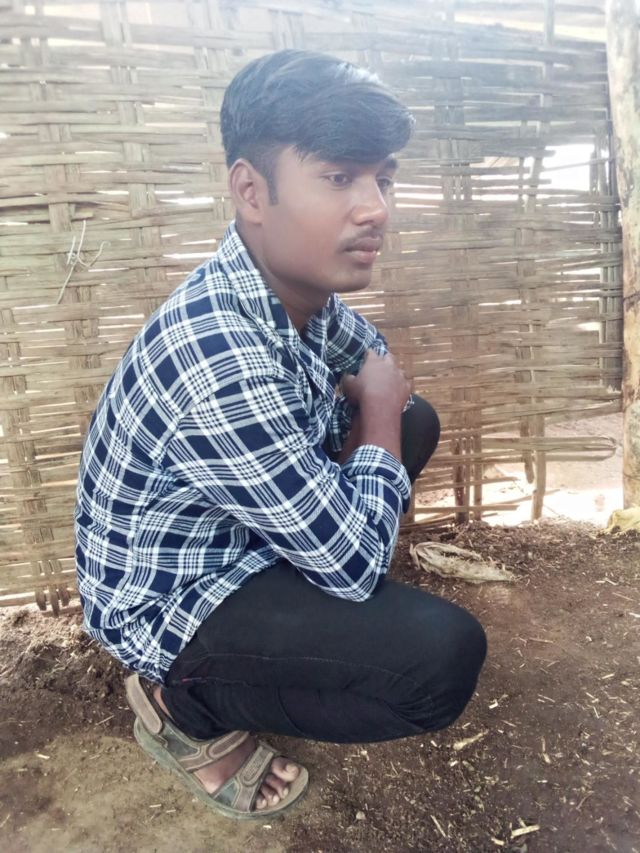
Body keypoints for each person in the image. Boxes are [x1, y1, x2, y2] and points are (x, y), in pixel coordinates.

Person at [74, 49, 486, 820]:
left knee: (410, 419)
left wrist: (381, 408)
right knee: (438, 662)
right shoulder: (217, 359)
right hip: (173, 598)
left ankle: (289, 607)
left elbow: (370, 356)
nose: (375, 208)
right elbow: (355, 561)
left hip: (239, 536)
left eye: (383, 178)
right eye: (339, 177)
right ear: (251, 190)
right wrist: (374, 414)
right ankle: (179, 705)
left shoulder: (291, 288)